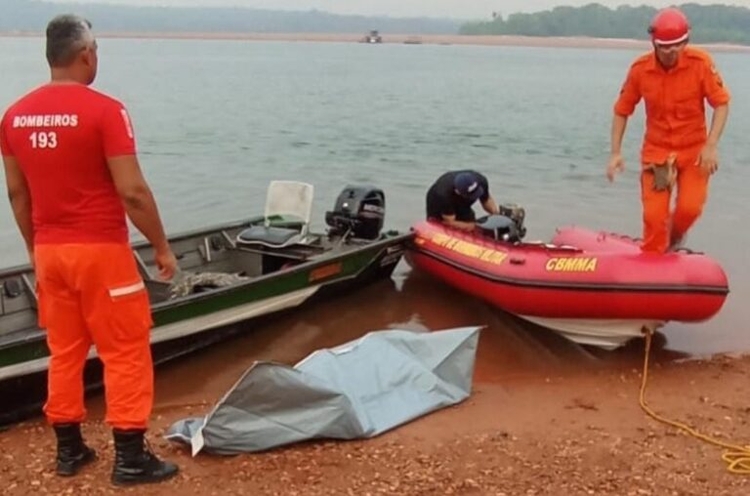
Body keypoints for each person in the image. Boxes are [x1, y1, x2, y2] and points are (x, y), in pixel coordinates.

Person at [0, 14, 179, 486]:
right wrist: (161, 246)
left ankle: (69, 449)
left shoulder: (14, 115)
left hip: (51, 252)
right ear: (86, 54)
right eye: (96, 50)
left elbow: (18, 195)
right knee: (125, 350)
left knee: (64, 350)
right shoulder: (106, 110)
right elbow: (133, 192)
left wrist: (34, 248)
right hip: (100, 251)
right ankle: (130, 456)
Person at [606, 7, 730, 254]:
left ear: (686, 41)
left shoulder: (701, 64)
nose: (672, 51)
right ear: (654, 44)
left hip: (694, 151)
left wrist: (711, 145)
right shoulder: (640, 70)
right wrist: (616, 152)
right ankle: (651, 264)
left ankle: (672, 241)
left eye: (678, 45)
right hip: (657, 154)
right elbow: (622, 110)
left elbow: (722, 104)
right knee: (653, 217)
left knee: (690, 209)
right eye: (665, 46)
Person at [426, 170, 499, 231]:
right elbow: (449, 221)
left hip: (462, 201)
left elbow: (486, 200)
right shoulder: (443, 194)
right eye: (472, 196)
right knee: (442, 226)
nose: (474, 198)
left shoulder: (481, 181)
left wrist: (497, 215)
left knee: (470, 222)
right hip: (437, 201)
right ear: (458, 192)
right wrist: (472, 226)